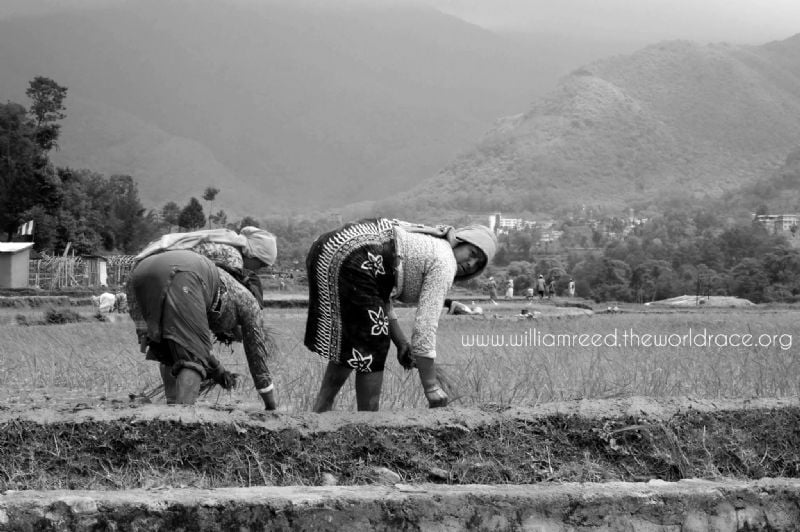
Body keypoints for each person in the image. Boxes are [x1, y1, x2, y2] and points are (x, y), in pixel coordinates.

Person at [305, 218, 497, 412]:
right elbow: (425, 325)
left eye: (478, 264)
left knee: (354, 343)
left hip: (330, 247)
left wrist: (401, 343)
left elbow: (381, 298)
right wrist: (431, 387)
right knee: (374, 343)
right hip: (354, 255)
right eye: (472, 253)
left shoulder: (429, 243)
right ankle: (368, 423)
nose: (471, 263)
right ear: (459, 241)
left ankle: (321, 410)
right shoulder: (445, 261)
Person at [128, 250, 279, 408]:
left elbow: (193, 343)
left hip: (141, 271)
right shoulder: (251, 304)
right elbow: (258, 364)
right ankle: (181, 419)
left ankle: (172, 408)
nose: (238, 339)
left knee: (169, 351)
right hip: (182, 275)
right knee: (192, 361)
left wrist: (219, 372)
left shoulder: (219, 287)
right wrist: (271, 406)